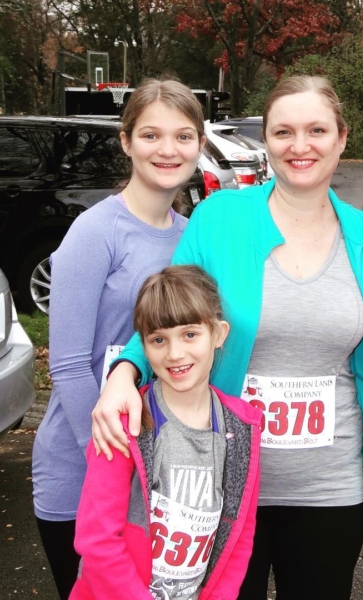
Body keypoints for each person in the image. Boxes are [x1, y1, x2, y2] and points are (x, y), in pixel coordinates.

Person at [91, 75, 363, 600]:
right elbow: (169, 317)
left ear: (341, 138)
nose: (300, 146)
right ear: (265, 141)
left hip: (329, 486)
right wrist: (123, 372)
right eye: (283, 132)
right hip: (221, 483)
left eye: (316, 130)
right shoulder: (220, 218)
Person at [32, 79, 206, 600]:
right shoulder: (95, 231)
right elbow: (65, 366)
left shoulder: (188, 236)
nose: (168, 150)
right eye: (151, 135)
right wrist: (116, 469)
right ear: (126, 141)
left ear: (200, 144)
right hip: (85, 468)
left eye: (183, 136)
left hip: (159, 474)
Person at [70, 265, 261, 600]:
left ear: (218, 334)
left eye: (190, 334)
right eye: (159, 339)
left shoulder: (243, 427)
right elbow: (97, 540)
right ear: (143, 346)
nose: (175, 354)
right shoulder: (123, 424)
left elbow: (239, 536)